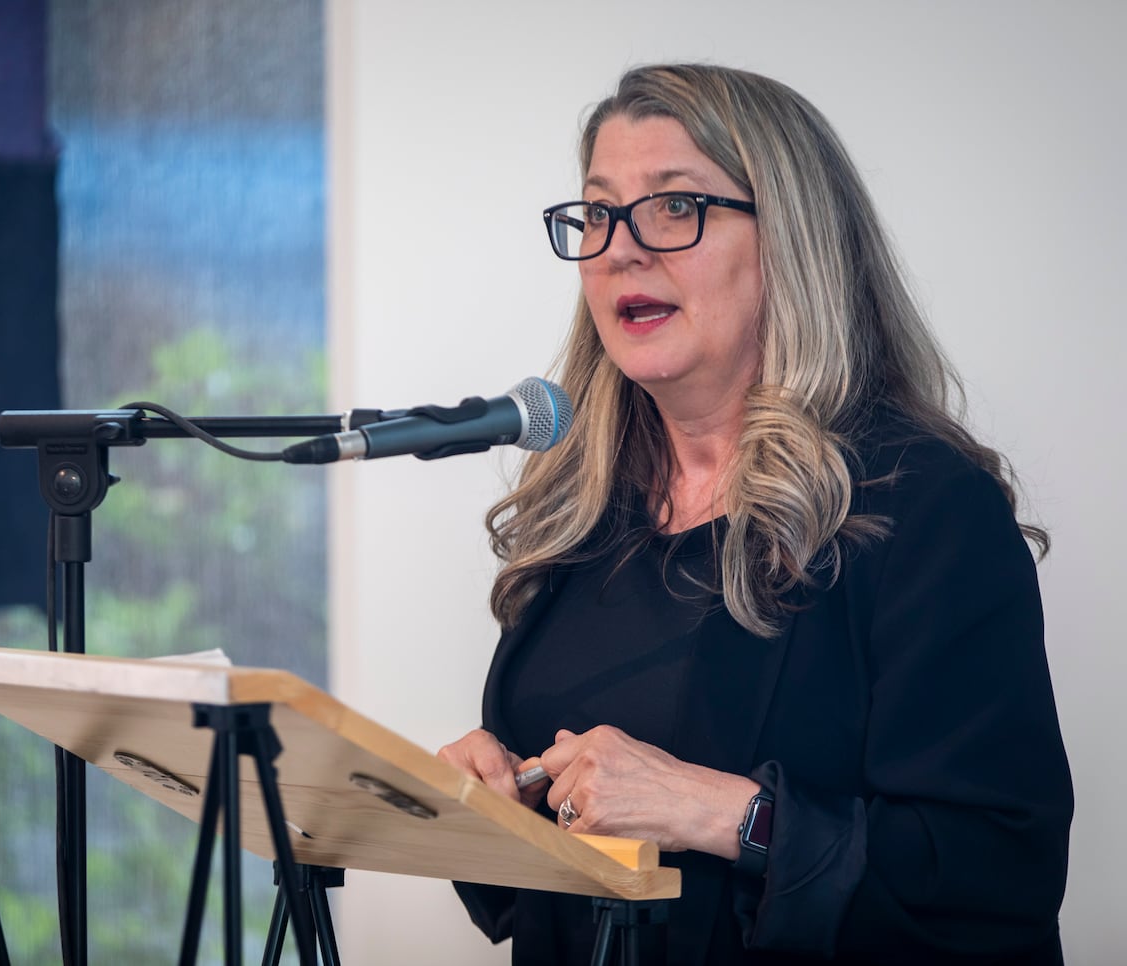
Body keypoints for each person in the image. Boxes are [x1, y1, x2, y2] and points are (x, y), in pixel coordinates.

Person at [437, 63, 1073, 965]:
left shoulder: (922, 510)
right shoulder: (578, 517)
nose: (621, 248)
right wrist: (490, 812)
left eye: (674, 207)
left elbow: (995, 877)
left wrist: (719, 812)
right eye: (598, 213)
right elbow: (540, 896)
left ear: (793, 242)